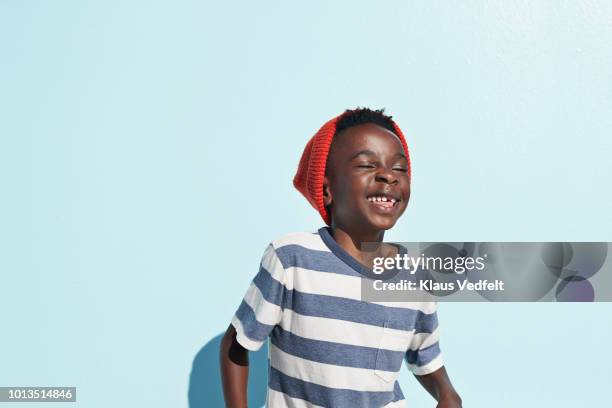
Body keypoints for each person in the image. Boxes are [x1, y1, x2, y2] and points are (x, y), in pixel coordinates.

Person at [220, 108, 462, 408]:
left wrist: (447, 393)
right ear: (328, 189)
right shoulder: (292, 260)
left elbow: (424, 353)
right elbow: (236, 344)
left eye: (399, 168)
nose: (387, 174)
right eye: (366, 164)